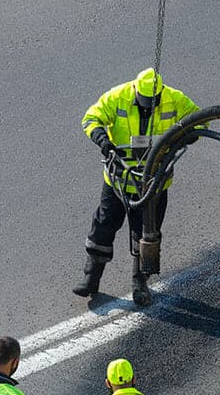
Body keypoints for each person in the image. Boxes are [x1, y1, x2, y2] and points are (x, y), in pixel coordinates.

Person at [73, 67, 201, 306]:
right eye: (144, 103)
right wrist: (103, 140)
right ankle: (91, 279)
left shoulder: (174, 99)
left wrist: (187, 135)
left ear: (160, 94)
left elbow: (199, 120)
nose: (148, 107)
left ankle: (140, 283)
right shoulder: (118, 97)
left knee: (145, 234)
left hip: (153, 183)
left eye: (152, 103)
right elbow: (91, 118)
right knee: (103, 226)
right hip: (119, 180)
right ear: (135, 91)